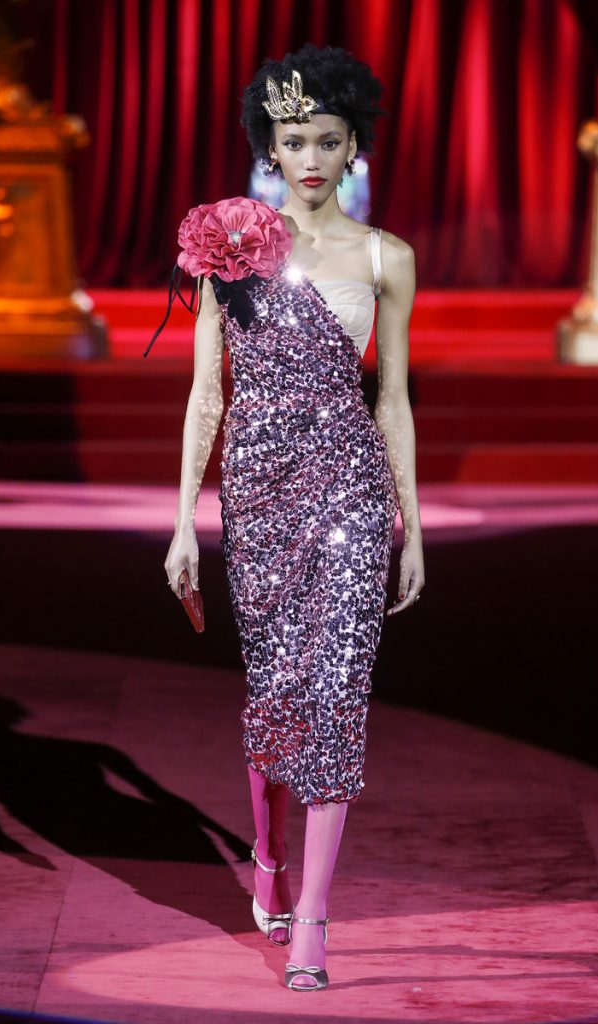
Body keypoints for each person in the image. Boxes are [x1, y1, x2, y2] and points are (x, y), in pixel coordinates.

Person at [162, 43, 425, 991]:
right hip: (259, 489)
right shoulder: (228, 247)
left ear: (354, 147)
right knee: (275, 689)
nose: (309, 158)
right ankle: (267, 858)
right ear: (268, 148)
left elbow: (391, 397)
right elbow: (206, 392)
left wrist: (411, 526)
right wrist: (184, 521)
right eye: (292, 141)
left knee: (336, 692)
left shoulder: (386, 257)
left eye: (327, 140)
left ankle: (313, 916)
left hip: (350, 487)